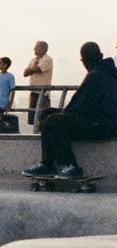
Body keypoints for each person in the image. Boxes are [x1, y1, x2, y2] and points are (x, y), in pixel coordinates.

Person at [22, 42, 117, 180]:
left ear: (83, 61)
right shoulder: (106, 71)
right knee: (48, 114)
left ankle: (70, 165)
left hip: (103, 125)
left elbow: (78, 106)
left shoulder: (96, 75)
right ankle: (47, 163)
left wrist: (59, 115)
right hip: (102, 120)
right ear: (101, 56)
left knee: (53, 120)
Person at [22, 40, 53, 127]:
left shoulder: (47, 59)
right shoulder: (33, 60)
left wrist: (32, 68)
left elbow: (38, 69)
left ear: (42, 49)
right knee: (33, 118)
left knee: (43, 117)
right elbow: (25, 73)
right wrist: (32, 68)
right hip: (33, 92)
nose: (34, 49)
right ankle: (35, 133)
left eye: (36, 47)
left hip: (43, 93)